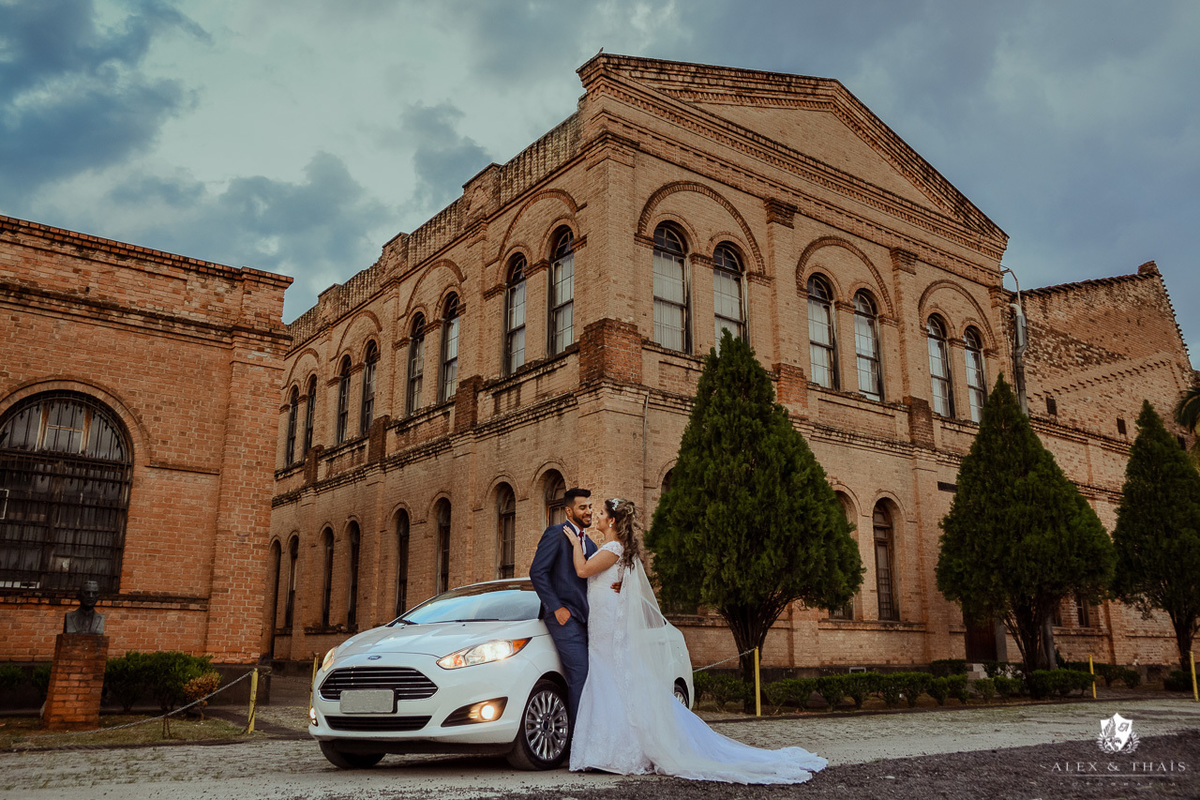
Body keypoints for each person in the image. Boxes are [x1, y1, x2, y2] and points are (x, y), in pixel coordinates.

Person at [564, 497, 827, 784]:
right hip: (603, 625)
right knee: (610, 682)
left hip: (608, 629)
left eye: (601, 513)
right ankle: (610, 750)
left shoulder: (613, 547)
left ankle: (617, 752)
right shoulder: (613, 549)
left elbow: (582, 571)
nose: (597, 517)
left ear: (612, 521)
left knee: (614, 681)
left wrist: (576, 545)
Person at [528, 487, 597, 725]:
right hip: (564, 619)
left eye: (589, 506)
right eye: (582, 507)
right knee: (581, 675)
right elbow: (538, 572)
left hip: (588, 621)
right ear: (569, 510)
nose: (588, 511)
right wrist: (556, 607)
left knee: (591, 677)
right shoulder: (556, 534)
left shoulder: (592, 544)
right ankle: (579, 744)